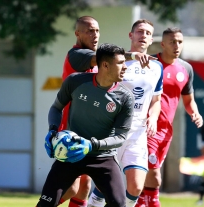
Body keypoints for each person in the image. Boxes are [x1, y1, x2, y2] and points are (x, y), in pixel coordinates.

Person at [59, 16, 158, 207]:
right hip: (73, 128)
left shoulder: (99, 63)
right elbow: (104, 60)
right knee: (72, 187)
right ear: (77, 33)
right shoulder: (77, 54)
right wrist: (133, 56)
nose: (94, 34)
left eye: (97, 30)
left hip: (91, 129)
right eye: (89, 31)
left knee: (85, 186)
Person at [36, 43, 135, 207]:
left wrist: (92, 145)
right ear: (105, 65)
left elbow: (120, 137)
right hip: (71, 153)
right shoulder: (75, 81)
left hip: (103, 157)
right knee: (45, 203)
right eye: (120, 63)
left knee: (119, 204)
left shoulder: (125, 97)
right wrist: (52, 130)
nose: (125, 67)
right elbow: (56, 108)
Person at [88, 19, 163, 207]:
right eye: (139, 31)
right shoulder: (116, 61)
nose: (143, 36)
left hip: (137, 131)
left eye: (147, 33)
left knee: (136, 186)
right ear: (131, 35)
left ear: (152, 39)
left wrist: (153, 118)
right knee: (105, 185)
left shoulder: (157, 67)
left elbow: (156, 101)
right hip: (112, 128)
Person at [135, 27, 203, 207]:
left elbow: (189, 101)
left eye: (180, 42)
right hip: (147, 127)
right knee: (153, 174)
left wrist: (195, 113)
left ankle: (142, 202)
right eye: (172, 42)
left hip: (166, 131)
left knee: (152, 178)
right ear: (163, 44)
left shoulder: (186, 68)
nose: (177, 46)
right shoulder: (150, 63)